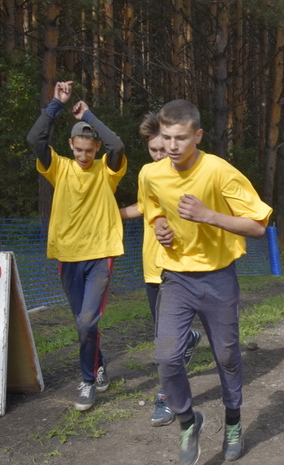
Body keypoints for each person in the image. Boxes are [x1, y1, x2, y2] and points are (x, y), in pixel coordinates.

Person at [141, 99, 272, 465]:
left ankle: (233, 421)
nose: (172, 146)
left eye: (181, 138)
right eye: (166, 137)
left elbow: (258, 226)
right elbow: (152, 207)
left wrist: (207, 215)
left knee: (227, 356)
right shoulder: (151, 174)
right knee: (166, 356)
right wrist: (160, 226)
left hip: (218, 277)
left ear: (197, 135)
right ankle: (187, 420)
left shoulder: (219, 171)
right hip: (176, 276)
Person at [26, 80, 127, 411]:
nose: (84, 156)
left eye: (89, 149)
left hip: (100, 255)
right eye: (79, 149)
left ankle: (86, 381)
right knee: (84, 323)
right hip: (67, 256)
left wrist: (89, 115)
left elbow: (118, 145)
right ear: (70, 145)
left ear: (95, 148)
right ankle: (97, 364)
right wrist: (56, 103)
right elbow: (35, 139)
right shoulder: (59, 168)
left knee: (87, 322)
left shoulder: (106, 171)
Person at [119, 112, 202, 426]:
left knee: (165, 343)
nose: (158, 156)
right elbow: (142, 207)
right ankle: (189, 341)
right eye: (152, 150)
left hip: (182, 269)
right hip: (152, 268)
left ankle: (167, 397)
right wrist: (106, 214)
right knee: (166, 338)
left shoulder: (187, 174)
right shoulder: (148, 175)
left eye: (162, 149)